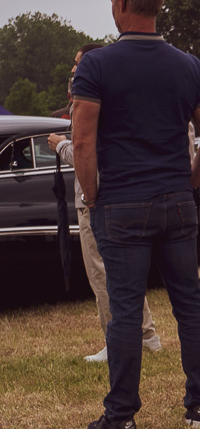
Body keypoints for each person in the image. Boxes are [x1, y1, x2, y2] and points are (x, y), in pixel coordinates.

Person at [71, 0, 200, 429]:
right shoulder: (190, 66)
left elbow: (81, 141)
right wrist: (188, 181)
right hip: (176, 201)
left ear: (120, 2)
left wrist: (93, 194)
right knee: (189, 305)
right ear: (157, 7)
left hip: (119, 203)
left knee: (125, 308)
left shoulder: (96, 66)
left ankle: (121, 416)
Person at [49, 42, 163, 362]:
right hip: (117, 194)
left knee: (101, 273)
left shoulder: (90, 101)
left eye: (77, 65)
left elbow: (86, 152)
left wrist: (59, 145)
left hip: (94, 198)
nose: (72, 71)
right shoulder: (118, 98)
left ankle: (117, 341)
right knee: (123, 273)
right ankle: (146, 335)